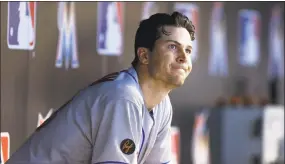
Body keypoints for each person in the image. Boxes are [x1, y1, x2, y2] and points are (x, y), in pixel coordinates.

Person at [6, 11, 195, 164]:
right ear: (144, 56)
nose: (183, 57)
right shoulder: (123, 96)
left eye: (188, 50)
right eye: (172, 47)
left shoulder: (162, 104)